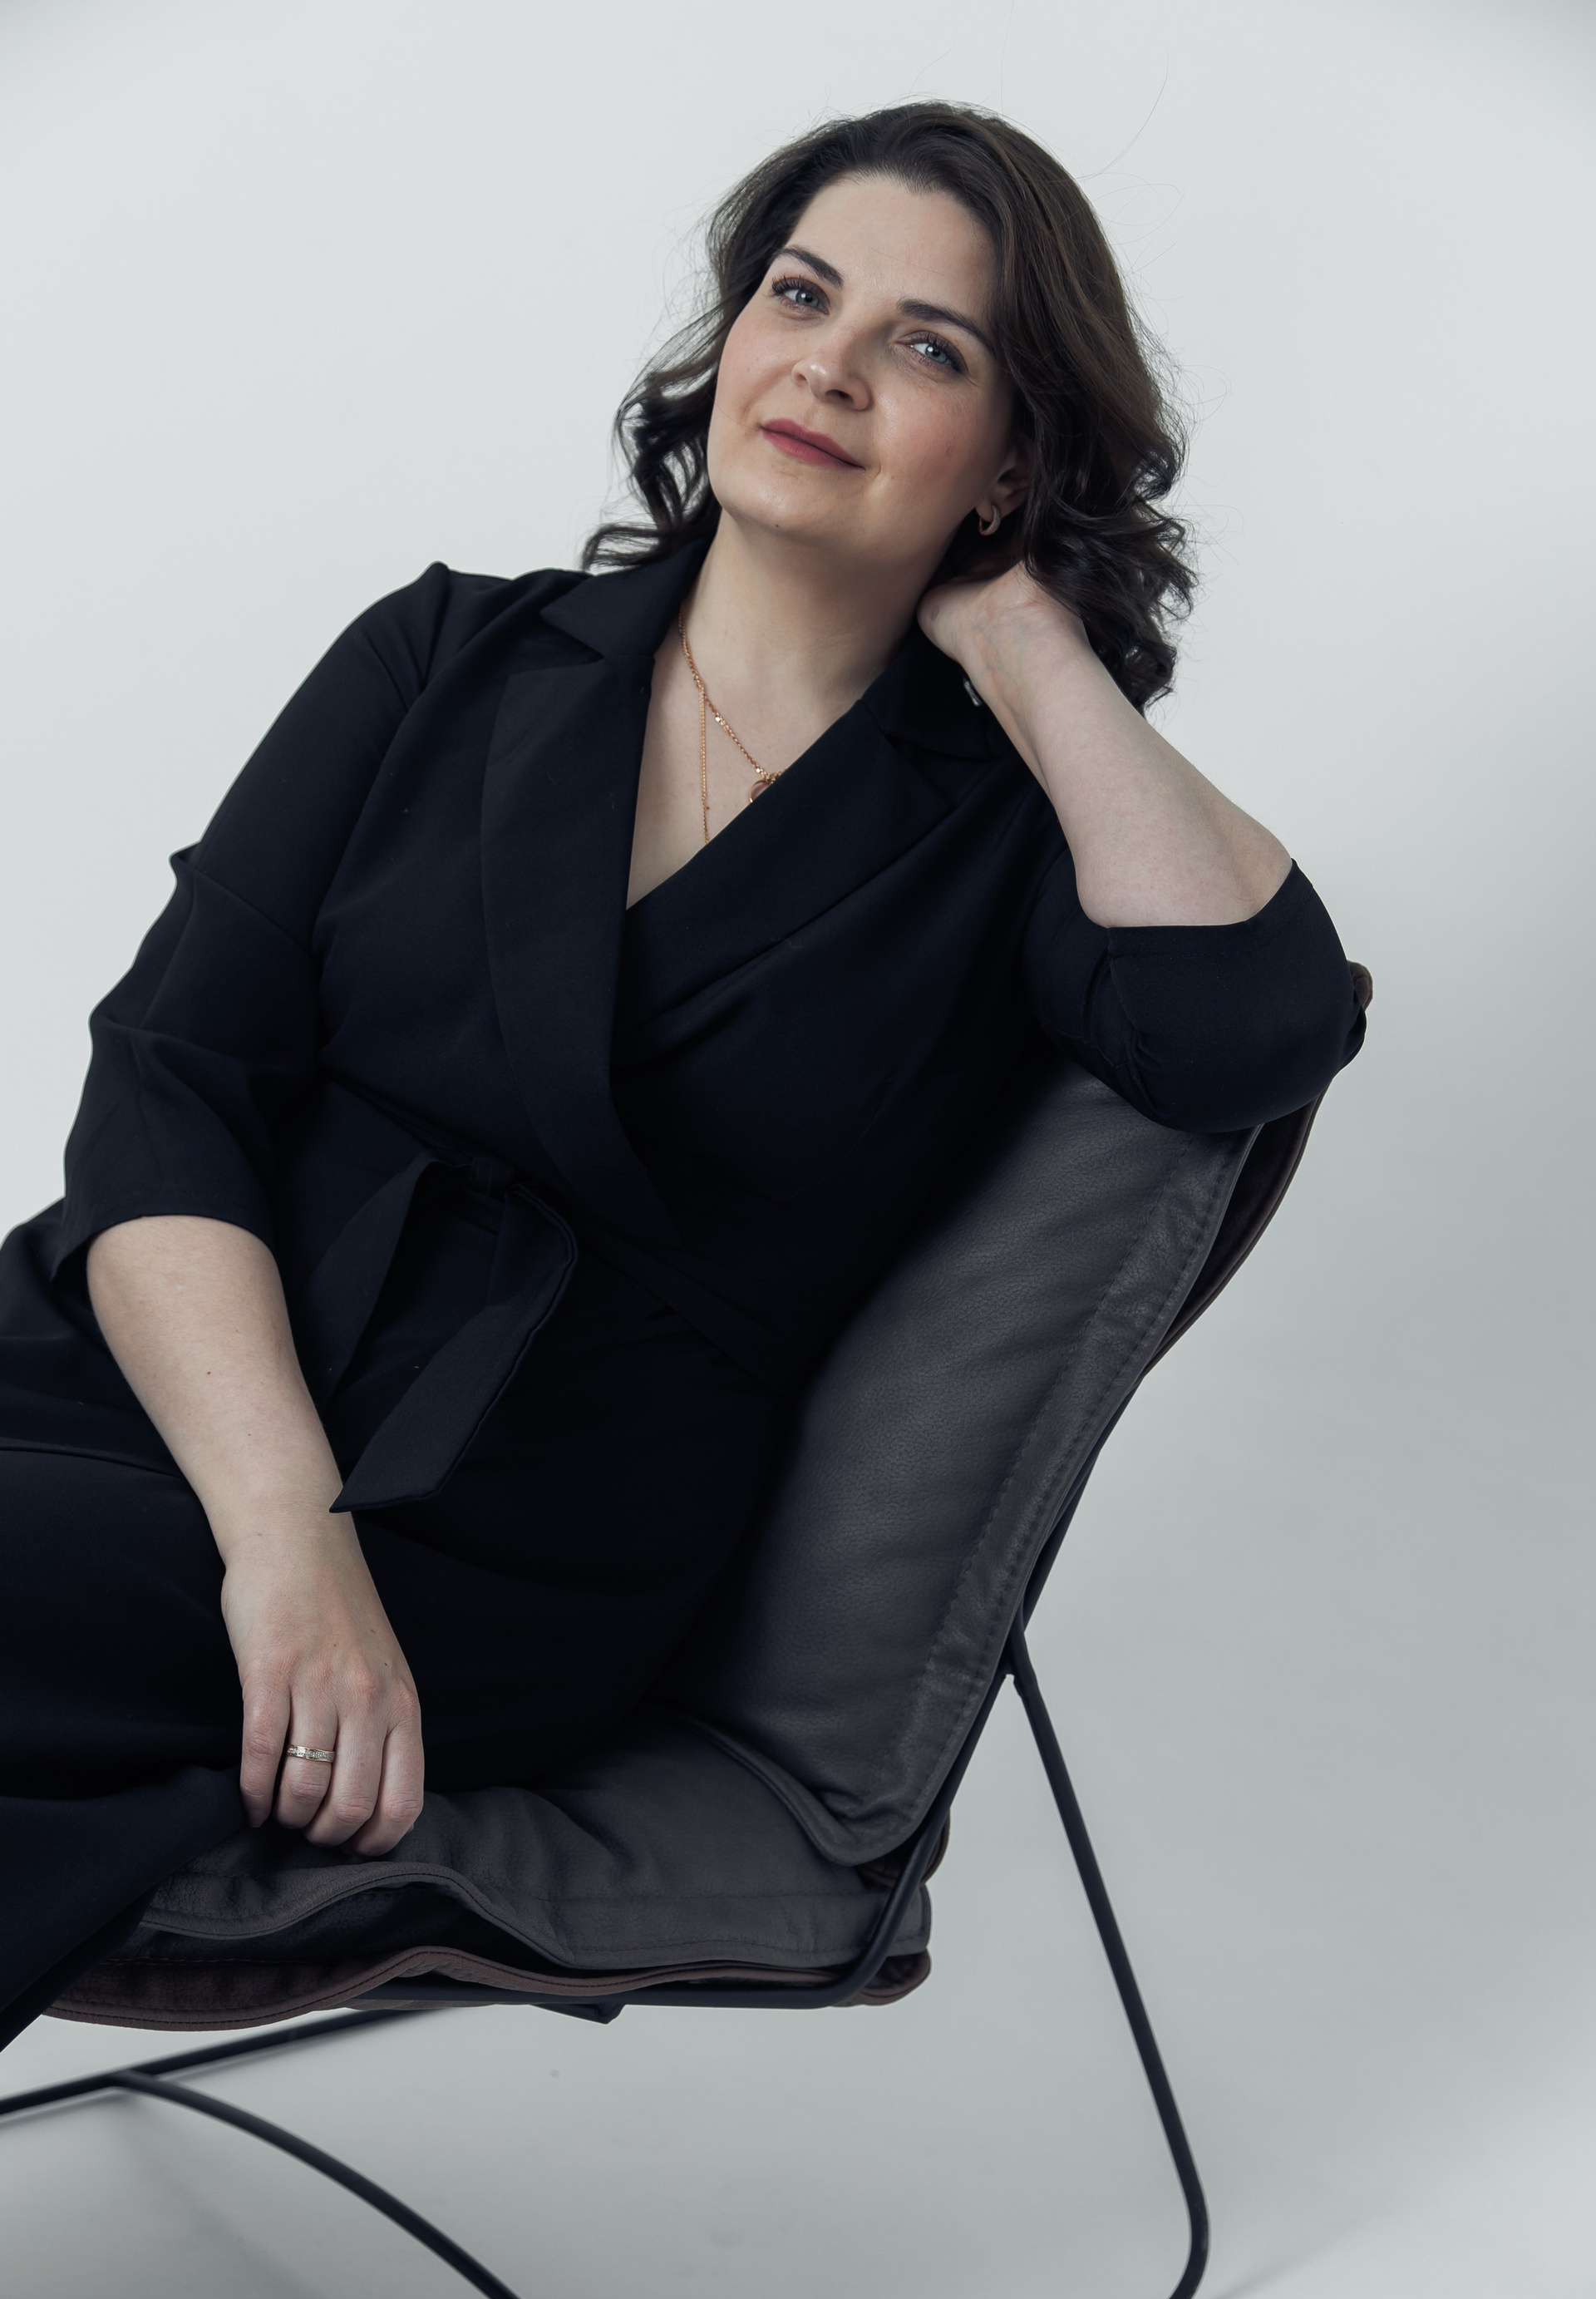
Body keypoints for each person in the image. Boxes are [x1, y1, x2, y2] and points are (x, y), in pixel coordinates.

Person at [0, 101, 1364, 2048]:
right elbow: (168, 1083)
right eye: (801, 296)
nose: (828, 363)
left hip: (491, 1526)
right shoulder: (447, 655)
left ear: (1010, 458)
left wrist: (1027, 641)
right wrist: (283, 1529)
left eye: (927, 346)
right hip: (162, 1380)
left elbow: (1255, 1027)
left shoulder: (1010, 847)